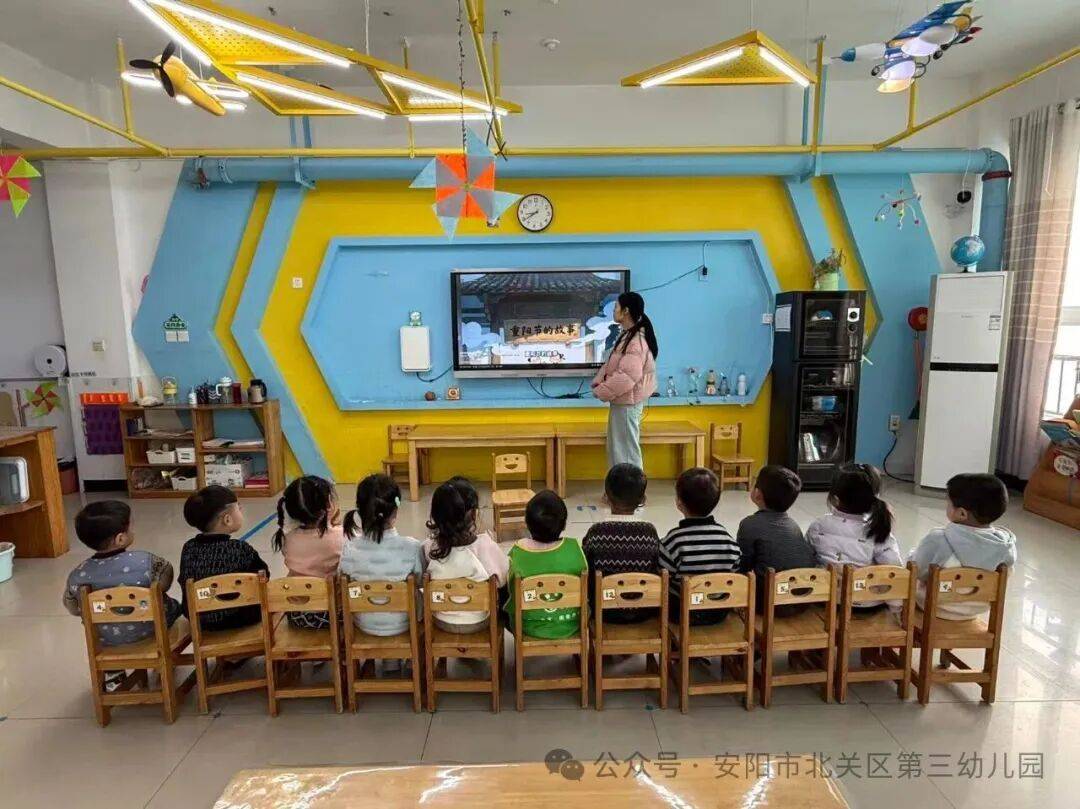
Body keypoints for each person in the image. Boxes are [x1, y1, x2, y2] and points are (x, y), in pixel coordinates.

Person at [63, 500, 181, 646]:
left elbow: (74, 609)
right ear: (120, 538)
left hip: (106, 639)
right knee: (173, 606)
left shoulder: (77, 575)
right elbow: (165, 580)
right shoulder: (145, 561)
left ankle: (112, 661)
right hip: (153, 630)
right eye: (131, 527)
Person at [909, 473, 1017, 620]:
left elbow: (918, 571)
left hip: (935, 607)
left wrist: (912, 554)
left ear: (961, 513)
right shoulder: (1005, 546)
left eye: (948, 503)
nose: (946, 506)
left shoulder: (939, 539)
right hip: (976, 609)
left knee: (908, 572)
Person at [338, 473, 424, 636]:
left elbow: (341, 577)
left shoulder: (349, 547)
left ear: (360, 511)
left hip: (363, 624)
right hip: (404, 623)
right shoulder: (412, 547)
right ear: (395, 511)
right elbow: (420, 581)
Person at [806, 463, 901, 609]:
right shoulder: (878, 530)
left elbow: (806, 559)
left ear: (835, 498)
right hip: (866, 603)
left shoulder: (818, 525)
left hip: (825, 599)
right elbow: (893, 573)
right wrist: (896, 608)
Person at [179, 485, 269, 631]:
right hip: (238, 617)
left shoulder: (188, 548)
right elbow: (263, 576)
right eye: (239, 508)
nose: (241, 510)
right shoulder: (240, 549)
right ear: (227, 519)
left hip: (200, 618)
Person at [658, 467, 740, 625]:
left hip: (681, 614)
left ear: (679, 503)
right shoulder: (729, 542)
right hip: (718, 613)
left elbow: (663, 578)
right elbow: (734, 576)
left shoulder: (672, 542)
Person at [424, 481, 508, 634]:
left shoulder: (429, 546)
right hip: (479, 621)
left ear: (436, 516)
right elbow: (503, 579)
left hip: (441, 620)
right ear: (474, 514)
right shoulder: (486, 545)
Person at [582, 463, 660, 624]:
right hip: (645, 611)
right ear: (643, 499)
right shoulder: (649, 532)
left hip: (604, 612)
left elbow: (585, 567)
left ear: (606, 497)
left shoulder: (596, 533)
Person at [505, 490, 587, 639]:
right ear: (564, 524)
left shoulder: (516, 553)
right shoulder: (575, 549)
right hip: (572, 625)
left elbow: (510, 596)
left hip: (528, 628)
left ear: (527, 523)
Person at [737, 465, 817, 615]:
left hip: (767, 602)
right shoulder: (793, 525)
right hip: (802, 600)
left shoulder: (749, 524)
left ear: (757, 494)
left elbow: (743, 565)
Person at [591, 291, 658, 469]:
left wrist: (602, 391)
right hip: (622, 402)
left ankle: (631, 487)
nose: (614, 311)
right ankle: (620, 486)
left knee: (626, 454)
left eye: (616, 307)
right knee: (619, 451)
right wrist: (599, 381)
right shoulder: (628, 336)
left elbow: (627, 377)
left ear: (626, 311)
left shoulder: (635, 341)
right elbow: (611, 364)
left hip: (628, 404)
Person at [271, 475, 345, 629]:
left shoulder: (287, 538)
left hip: (297, 614)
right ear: (329, 504)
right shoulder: (341, 536)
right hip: (332, 613)